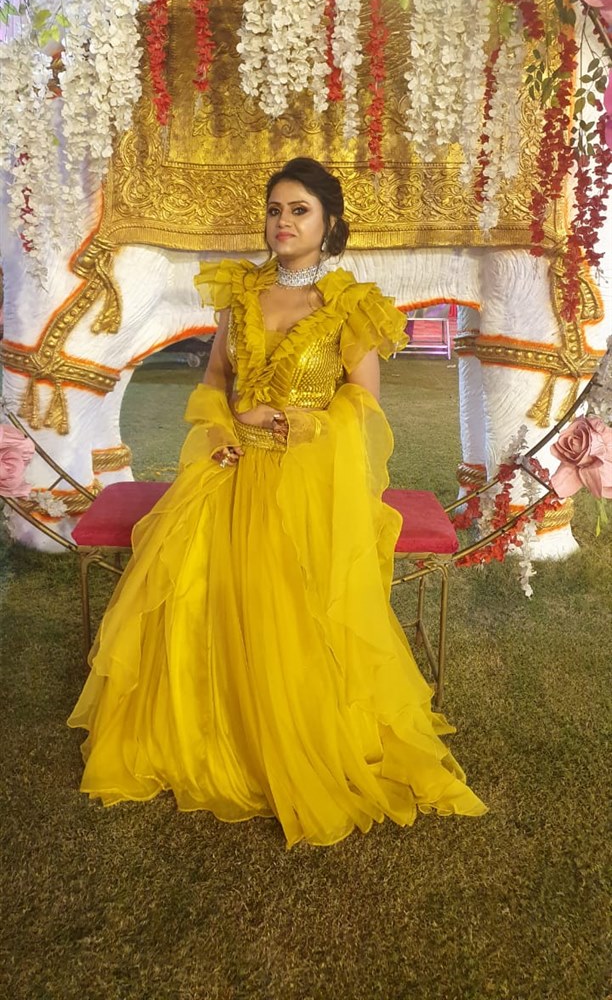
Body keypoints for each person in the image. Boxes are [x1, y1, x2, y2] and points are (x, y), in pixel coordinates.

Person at [68, 158, 486, 848]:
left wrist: (305, 424)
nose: (283, 222)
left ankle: (296, 735)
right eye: (274, 210)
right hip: (231, 474)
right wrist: (220, 429)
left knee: (290, 609)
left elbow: (364, 405)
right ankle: (221, 728)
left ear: (328, 223)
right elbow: (215, 380)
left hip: (304, 480)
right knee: (204, 597)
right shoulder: (242, 293)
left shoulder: (351, 305)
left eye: (299, 210)